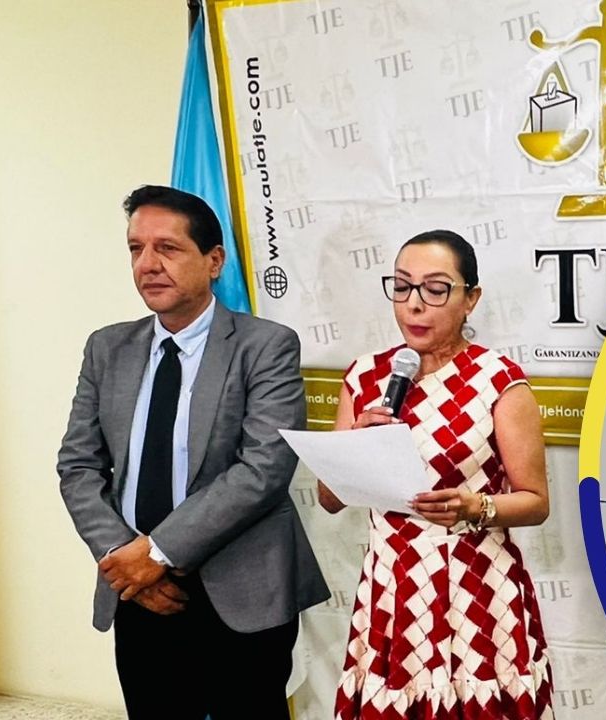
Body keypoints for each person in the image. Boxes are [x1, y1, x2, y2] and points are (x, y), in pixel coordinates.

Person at [57, 185, 330, 719]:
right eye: (136, 248)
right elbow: (78, 465)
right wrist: (123, 555)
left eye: (167, 247)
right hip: (136, 589)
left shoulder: (266, 345)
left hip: (241, 590)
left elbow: (264, 469)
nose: (148, 264)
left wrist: (156, 553)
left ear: (214, 260)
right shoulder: (107, 348)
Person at [320, 229, 554, 719]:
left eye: (435, 289)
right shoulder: (365, 377)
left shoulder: (499, 380)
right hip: (393, 586)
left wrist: (476, 507)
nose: (414, 304)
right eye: (402, 286)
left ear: (471, 299)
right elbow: (329, 498)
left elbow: (535, 502)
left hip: (476, 583)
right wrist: (355, 445)